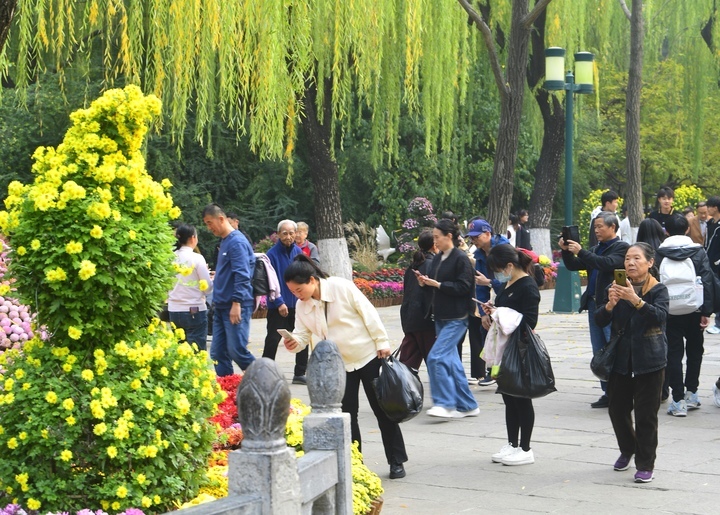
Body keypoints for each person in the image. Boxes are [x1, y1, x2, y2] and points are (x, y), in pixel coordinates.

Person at [281, 255, 408, 479]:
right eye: (293, 292)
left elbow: (368, 314)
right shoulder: (302, 306)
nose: (297, 295)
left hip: (367, 355)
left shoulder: (341, 287)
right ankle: (354, 463)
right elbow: (302, 333)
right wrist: (294, 342)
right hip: (337, 366)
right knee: (347, 416)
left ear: (312, 280)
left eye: (299, 290)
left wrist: (382, 342)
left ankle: (396, 461)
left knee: (383, 411)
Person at [595, 242, 668, 483]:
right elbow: (600, 320)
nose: (631, 263)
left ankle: (646, 463)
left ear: (650, 263)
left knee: (647, 416)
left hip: (650, 361)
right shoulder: (615, 286)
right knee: (617, 410)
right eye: (627, 259)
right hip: (621, 361)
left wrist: (636, 300)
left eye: (637, 258)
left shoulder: (658, 290)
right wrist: (610, 305)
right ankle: (628, 448)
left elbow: (659, 317)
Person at [560, 211, 629, 408]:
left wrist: (581, 251)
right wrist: (567, 250)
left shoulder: (621, 248)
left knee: (613, 347)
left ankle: (620, 391)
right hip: (593, 304)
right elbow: (574, 265)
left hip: (611, 305)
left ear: (613, 227)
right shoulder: (596, 249)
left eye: (600, 226)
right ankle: (607, 391)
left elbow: (605, 264)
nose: (596, 230)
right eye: (595, 227)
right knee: (599, 349)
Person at [481, 244, 541, 466]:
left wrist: (501, 314)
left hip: (520, 350)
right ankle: (512, 444)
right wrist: (491, 312)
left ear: (509, 265)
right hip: (503, 350)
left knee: (521, 398)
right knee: (508, 397)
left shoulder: (528, 286)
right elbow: (504, 313)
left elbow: (529, 321)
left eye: (498, 269)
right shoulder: (508, 284)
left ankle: (525, 448)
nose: (497, 274)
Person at [415, 219, 479, 419]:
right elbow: (436, 285)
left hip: (457, 317)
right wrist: (425, 283)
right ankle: (468, 405)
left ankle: (445, 403)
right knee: (452, 363)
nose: (435, 241)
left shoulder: (460, 259)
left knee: (436, 357)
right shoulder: (437, 258)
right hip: (440, 316)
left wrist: (439, 285)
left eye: (437, 237)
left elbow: (464, 287)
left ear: (448, 236)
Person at [656, 214, 715, 416]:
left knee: (673, 354)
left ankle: (678, 400)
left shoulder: (660, 253)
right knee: (695, 352)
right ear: (687, 230)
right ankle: (692, 393)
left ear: (667, 231)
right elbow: (706, 280)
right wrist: (706, 311)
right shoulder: (698, 252)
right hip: (694, 309)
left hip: (670, 311)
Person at [202, 204, 256, 376]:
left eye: (210, 223)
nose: (209, 228)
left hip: (235, 304)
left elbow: (242, 275)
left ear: (221, 219)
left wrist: (237, 302)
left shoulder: (237, 242)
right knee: (218, 353)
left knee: (237, 350)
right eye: (206, 224)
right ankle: (228, 389)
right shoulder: (225, 242)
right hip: (221, 305)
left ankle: (265, 379)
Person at [262, 219, 309, 384]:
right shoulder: (271, 255)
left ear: (296, 234)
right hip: (278, 306)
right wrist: (279, 302)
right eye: (285, 233)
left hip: (298, 304)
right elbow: (269, 282)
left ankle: (300, 373)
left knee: (302, 338)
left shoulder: (299, 254)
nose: (288, 236)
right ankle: (266, 372)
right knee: (273, 339)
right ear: (278, 235)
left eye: (291, 233)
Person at [466, 217, 510, 386]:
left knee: (506, 334)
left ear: (487, 233)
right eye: (471, 237)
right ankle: (492, 372)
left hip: (510, 298)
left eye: (476, 236)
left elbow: (509, 281)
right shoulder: (478, 255)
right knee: (486, 329)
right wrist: (483, 312)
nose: (473, 240)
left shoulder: (503, 250)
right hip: (494, 300)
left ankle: (508, 371)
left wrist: (491, 282)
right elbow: (480, 285)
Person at [167, 224, 213, 351]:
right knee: (196, 351)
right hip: (195, 309)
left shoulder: (170, 258)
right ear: (193, 238)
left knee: (180, 352)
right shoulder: (197, 258)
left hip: (174, 310)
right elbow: (207, 288)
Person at [398, 229, 436, 370]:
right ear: (434, 245)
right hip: (426, 320)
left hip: (410, 318)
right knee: (435, 363)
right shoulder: (433, 265)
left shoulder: (412, 266)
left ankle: (402, 389)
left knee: (407, 364)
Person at [704, 196, 720, 334]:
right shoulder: (710, 223)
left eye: (709, 206)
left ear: (715, 207)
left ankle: (719, 323)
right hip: (709, 262)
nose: (707, 209)